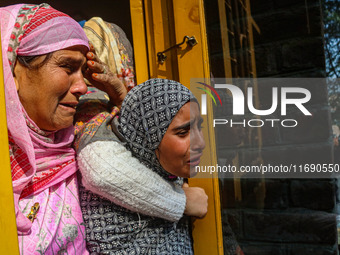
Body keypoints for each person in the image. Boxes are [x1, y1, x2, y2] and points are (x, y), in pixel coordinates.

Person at [1, 4, 207, 254]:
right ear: (11, 69)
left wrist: (120, 97)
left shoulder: (71, 141)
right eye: (67, 67)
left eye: (84, 72)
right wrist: (181, 202)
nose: (82, 87)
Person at [77, 78, 206, 254]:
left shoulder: (166, 169)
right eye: (183, 132)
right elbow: (102, 171)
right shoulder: (111, 203)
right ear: (146, 137)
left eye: (200, 127)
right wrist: (182, 201)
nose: (201, 143)